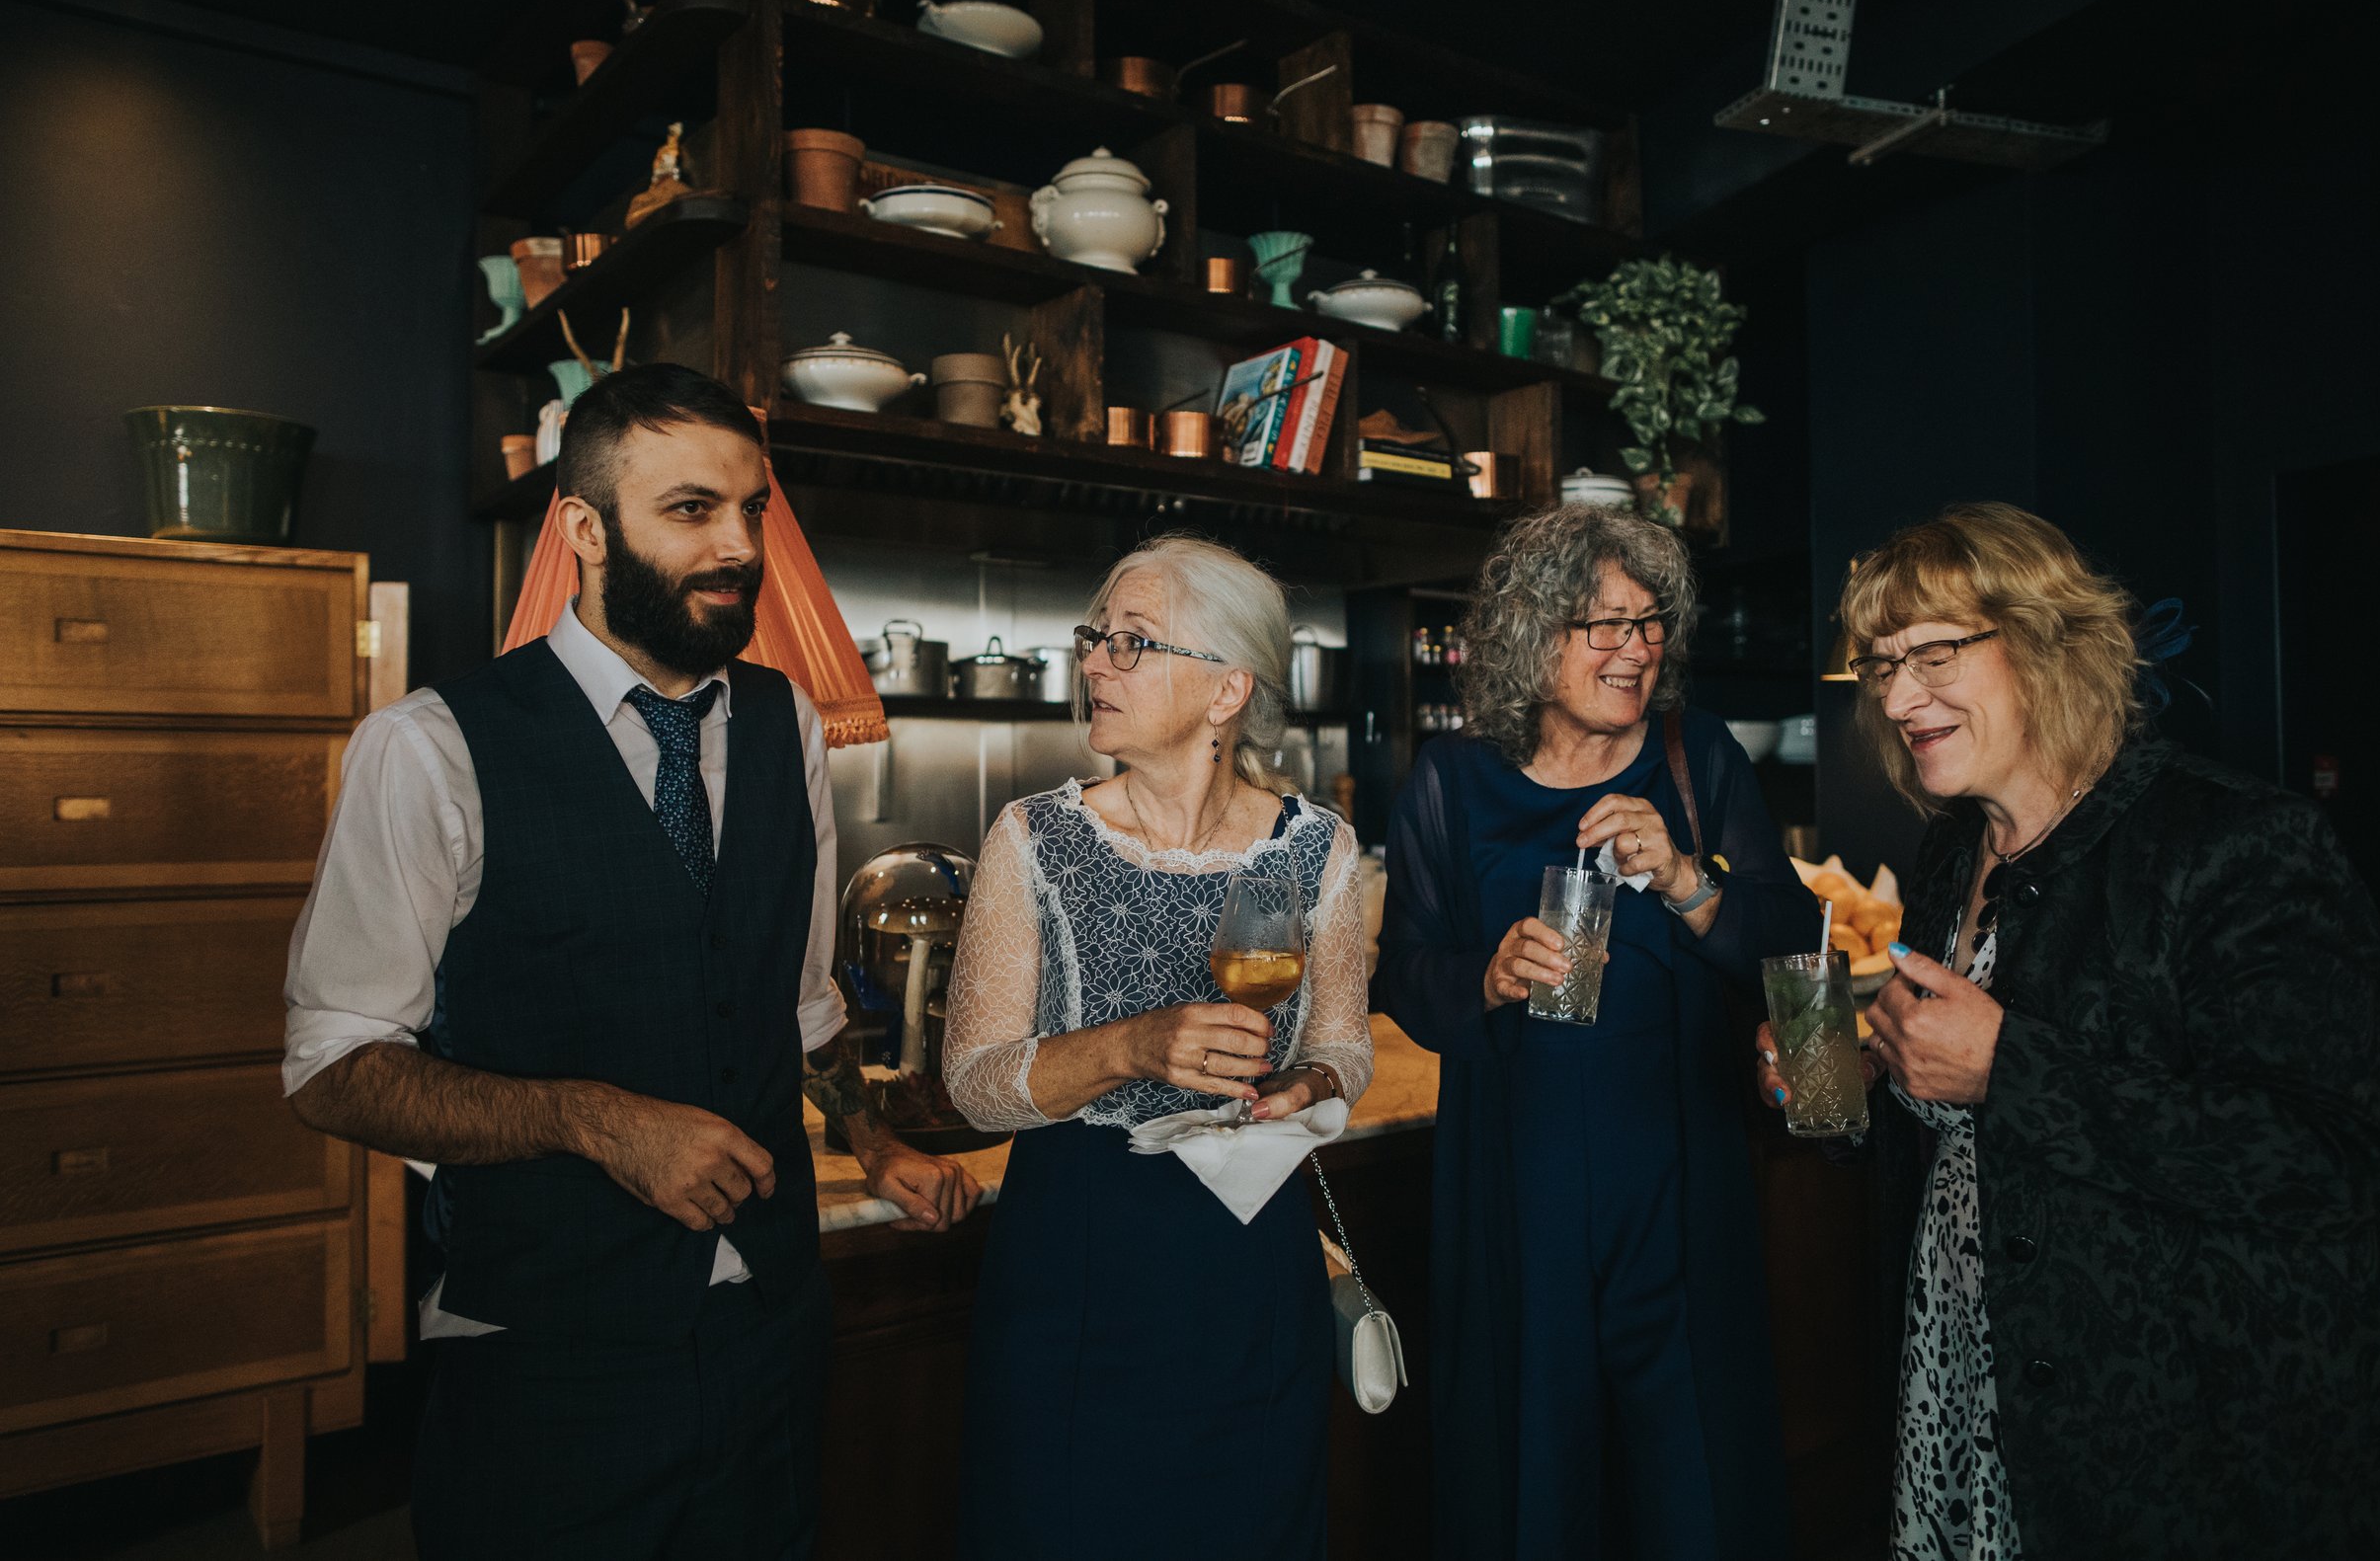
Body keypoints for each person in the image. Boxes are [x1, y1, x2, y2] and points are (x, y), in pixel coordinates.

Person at [283, 362, 980, 1559]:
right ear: (582, 528)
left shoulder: (787, 723)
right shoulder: (430, 746)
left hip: (767, 1336)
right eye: (690, 509)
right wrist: (597, 1120)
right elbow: (332, 1067)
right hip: (550, 1360)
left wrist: (871, 1138)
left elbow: (798, 1001)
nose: (737, 547)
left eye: (752, 509)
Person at [1758, 503, 2380, 1558]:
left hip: (2194, 1432)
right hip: (1979, 1377)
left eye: (1935, 652)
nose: (1900, 696)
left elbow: (2324, 1154)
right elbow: (1965, 1127)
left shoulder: (2236, 844)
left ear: (2045, 641)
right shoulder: (1958, 852)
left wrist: (2010, 1068)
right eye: (1881, 666)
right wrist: (1867, 1080)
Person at [1376, 504, 1814, 1559]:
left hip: (1676, 1179)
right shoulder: (1452, 779)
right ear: (1534, 634)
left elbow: (1792, 938)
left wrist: (1684, 879)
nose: (1635, 647)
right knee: (1535, 1461)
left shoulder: (1694, 756)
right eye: (1603, 624)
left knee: (1688, 1468)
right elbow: (1403, 971)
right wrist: (1487, 974)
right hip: (1515, 1185)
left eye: (1649, 621)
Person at [941, 533, 1373, 1561]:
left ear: (1228, 688)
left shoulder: (1319, 848)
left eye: (1131, 642)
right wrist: (1134, 1044)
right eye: (1097, 637)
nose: (1092, 661)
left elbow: (1343, 1048)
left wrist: (1307, 1082)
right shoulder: (1031, 838)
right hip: (1079, 1262)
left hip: (1252, 1262)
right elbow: (972, 1083)